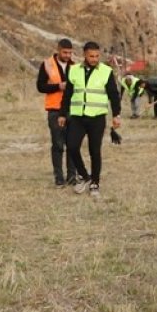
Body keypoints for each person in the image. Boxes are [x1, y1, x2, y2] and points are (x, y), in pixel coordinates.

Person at [59, 41, 122, 199]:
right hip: (78, 117)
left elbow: (114, 95)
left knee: (95, 151)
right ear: (84, 55)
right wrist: (62, 113)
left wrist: (116, 115)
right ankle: (85, 176)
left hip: (97, 117)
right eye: (91, 56)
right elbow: (67, 95)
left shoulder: (106, 71)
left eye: (97, 56)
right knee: (72, 147)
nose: (94, 59)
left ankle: (95, 182)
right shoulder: (73, 70)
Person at [36, 39, 76, 187]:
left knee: (72, 144)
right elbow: (40, 86)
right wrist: (58, 86)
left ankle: (72, 176)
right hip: (54, 109)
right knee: (58, 145)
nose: (68, 55)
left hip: (73, 110)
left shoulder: (75, 66)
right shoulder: (47, 64)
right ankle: (59, 177)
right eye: (65, 52)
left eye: (70, 52)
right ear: (58, 50)